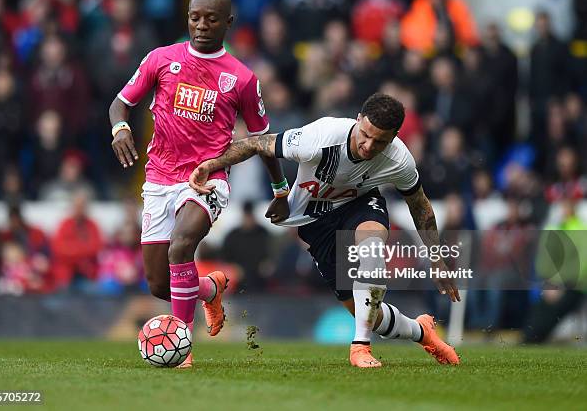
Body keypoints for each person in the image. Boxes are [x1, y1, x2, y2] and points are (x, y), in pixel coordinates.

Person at [190, 93, 460, 368]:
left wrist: (436, 259)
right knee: (368, 315)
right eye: (365, 135)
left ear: (393, 138)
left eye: (380, 141)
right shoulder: (320, 137)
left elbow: (420, 204)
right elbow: (257, 144)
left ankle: (360, 348)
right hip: (315, 222)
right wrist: (213, 168)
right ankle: (422, 332)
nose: (368, 145)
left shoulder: (399, 159)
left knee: (372, 245)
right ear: (358, 120)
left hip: (360, 204)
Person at [108, 0, 289, 368]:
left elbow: (262, 141)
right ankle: (211, 289)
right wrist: (119, 129)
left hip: (207, 179)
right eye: (195, 17)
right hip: (158, 179)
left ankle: (182, 347)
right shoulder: (161, 58)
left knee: (181, 246)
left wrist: (280, 188)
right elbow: (121, 103)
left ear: (228, 22)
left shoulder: (241, 78)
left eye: (211, 18)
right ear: (187, 18)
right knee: (160, 284)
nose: (202, 25)